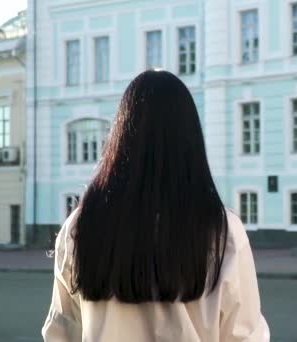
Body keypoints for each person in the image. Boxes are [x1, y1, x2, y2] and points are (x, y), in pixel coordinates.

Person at [42, 70, 270, 341]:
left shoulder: (81, 227)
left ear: (120, 134)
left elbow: (61, 332)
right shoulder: (223, 232)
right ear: (191, 139)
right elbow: (245, 336)